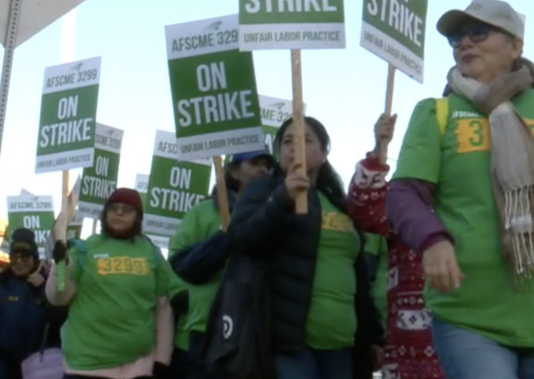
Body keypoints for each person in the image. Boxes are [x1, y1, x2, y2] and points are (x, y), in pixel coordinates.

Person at [387, 0, 534, 379]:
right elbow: (403, 194)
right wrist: (433, 240)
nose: (464, 43)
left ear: (516, 46)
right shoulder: (437, 113)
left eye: (478, 32)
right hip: (469, 315)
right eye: (456, 37)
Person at [228, 116, 385, 379]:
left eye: (306, 140)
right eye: (287, 141)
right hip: (289, 343)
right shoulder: (264, 191)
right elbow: (242, 241)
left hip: (341, 344)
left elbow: (359, 277)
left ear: (323, 154)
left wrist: (372, 335)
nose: (294, 146)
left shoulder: (339, 204)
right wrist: (281, 200)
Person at [348, 114, 445, 379]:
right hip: (408, 353)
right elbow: (363, 206)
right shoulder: (405, 201)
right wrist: (380, 148)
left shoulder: (479, 197)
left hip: (469, 343)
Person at [48, 187, 174, 378]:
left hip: (137, 368)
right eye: (113, 208)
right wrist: (60, 267)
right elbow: (58, 299)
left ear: (138, 217)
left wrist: (162, 360)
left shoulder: (152, 253)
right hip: (85, 368)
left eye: (127, 209)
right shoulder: (84, 249)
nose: (119, 212)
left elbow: (163, 310)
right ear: (104, 213)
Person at [170, 149, 274, 379]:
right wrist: (224, 238)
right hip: (203, 331)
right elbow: (179, 264)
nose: (263, 170)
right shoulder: (202, 212)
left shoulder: (275, 214)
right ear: (234, 171)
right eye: (255, 163)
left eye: (268, 166)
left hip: (254, 333)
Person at [0, 228, 65, 379]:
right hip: (2, 362)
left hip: (39, 362)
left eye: (25, 257)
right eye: (14, 257)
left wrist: (43, 288)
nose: (19, 262)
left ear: (34, 259)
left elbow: (60, 318)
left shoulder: (48, 282)